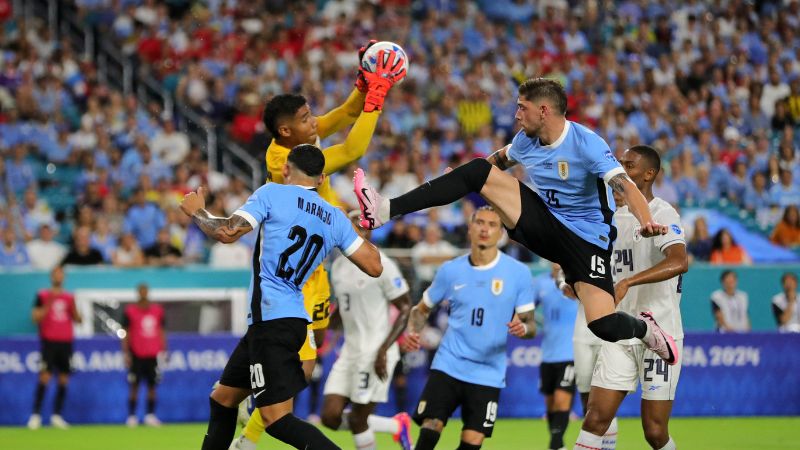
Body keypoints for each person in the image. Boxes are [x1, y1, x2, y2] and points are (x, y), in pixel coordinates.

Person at [354, 79, 678, 397]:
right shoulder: (525, 141)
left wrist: (645, 219)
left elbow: (624, 185)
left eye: (522, 108)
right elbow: (494, 163)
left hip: (587, 241)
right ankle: (385, 209)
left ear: (544, 109)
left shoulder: (586, 143)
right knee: (477, 171)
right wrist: (468, 181)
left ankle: (647, 330)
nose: (516, 115)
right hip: (545, 226)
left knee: (604, 325)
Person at [229, 40, 406, 450]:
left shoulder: (301, 142)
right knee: (302, 367)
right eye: (307, 118)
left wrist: (363, 86)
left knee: (310, 360)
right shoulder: (283, 160)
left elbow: (345, 114)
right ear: (287, 132)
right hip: (295, 279)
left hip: (317, 264)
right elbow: (353, 147)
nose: (315, 123)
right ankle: (250, 432)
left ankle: (253, 415)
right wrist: (377, 99)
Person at [181, 144, 383, 450]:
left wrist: (197, 210)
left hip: (271, 321)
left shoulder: (271, 193)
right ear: (321, 178)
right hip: (286, 320)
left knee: (276, 419)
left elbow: (226, 233)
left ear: (286, 169)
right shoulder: (335, 217)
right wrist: (364, 221)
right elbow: (374, 265)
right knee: (223, 399)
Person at [579, 145, 689, 450]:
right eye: (620, 163)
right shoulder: (609, 217)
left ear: (649, 174)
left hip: (661, 334)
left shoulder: (662, 212)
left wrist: (629, 281)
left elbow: (679, 262)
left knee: (654, 432)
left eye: (629, 165)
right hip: (620, 332)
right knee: (595, 418)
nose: (621, 169)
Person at [404, 206, 537, 450]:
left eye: (492, 224)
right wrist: (413, 331)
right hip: (449, 364)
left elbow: (530, 324)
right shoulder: (450, 270)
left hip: (488, 372)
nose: (485, 228)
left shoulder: (518, 273)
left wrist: (523, 328)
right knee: (431, 426)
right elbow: (421, 309)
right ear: (470, 228)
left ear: (501, 233)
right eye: (480, 223)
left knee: (472, 442)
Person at [316, 210, 414, 450]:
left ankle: (393, 427)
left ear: (369, 229)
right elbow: (343, 308)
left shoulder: (382, 263)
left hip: (376, 350)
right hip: (350, 350)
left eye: (361, 225)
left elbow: (405, 307)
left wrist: (384, 349)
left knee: (359, 419)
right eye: (352, 224)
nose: (357, 228)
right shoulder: (338, 266)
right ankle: (395, 426)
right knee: (329, 417)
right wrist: (322, 329)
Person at [27, 266, 82, 430]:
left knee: (64, 378)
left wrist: (74, 307)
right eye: (56, 274)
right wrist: (48, 304)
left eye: (61, 274)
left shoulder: (69, 297)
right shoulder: (42, 295)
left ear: (64, 277)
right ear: (51, 276)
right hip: (49, 342)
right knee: (44, 377)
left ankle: (56, 416)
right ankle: (36, 415)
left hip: (66, 342)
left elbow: (78, 319)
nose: (58, 276)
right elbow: (34, 318)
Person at [534, 263, 578, 450]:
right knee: (551, 404)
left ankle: (556, 443)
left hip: (571, 353)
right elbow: (526, 310)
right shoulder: (539, 283)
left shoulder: (577, 282)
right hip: (548, 354)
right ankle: (557, 444)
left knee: (562, 399)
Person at [122, 283, 166, 427]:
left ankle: (150, 415)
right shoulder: (130, 311)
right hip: (136, 353)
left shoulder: (157, 311)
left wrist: (164, 350)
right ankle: (132, 416)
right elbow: (126, 332)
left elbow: (161, 331)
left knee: (152, 386)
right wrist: (126, 353)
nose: (143, 294)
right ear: (138, 293)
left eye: (145, 291)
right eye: (141, 291)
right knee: (134, 385)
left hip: (152, 354)